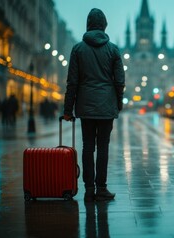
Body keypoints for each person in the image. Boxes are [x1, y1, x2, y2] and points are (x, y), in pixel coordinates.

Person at [63, 8, 125, 202]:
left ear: (88, 24)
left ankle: (89, 189)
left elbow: (72, 82)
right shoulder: (113, 49)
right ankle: (102, 188)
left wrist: (67, 109)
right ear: (104, 25)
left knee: (88, 147)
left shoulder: (78, 49)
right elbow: (119, 81)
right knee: (103, 147)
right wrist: (118, 103)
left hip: (86, 106)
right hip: (106, 105)